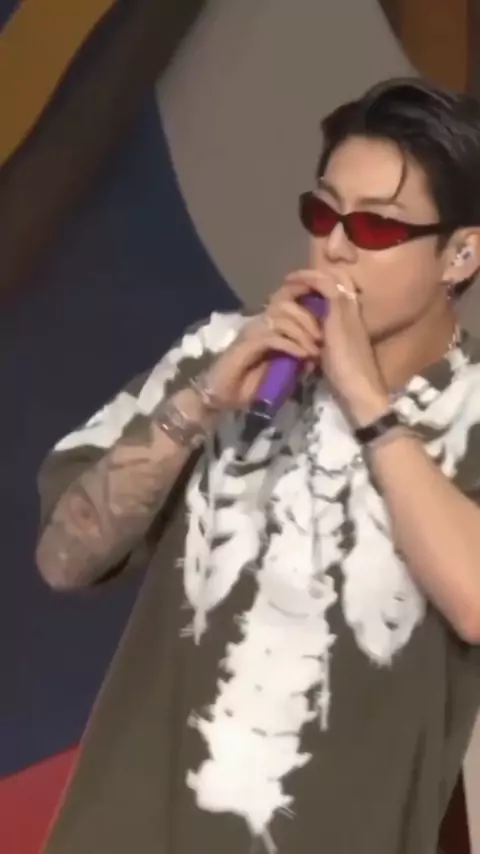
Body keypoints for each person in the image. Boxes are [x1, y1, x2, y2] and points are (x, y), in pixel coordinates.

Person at [36, 78, 480, 854]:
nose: (335, 246)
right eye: (323, 214)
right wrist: (201, 402)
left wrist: (367, 403)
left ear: (462, 253)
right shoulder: (220, 351)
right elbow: (63, 559)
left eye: (376, 226)